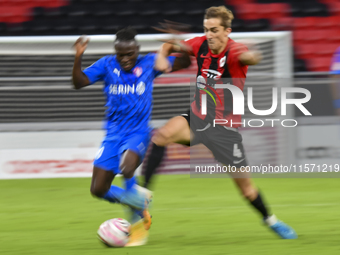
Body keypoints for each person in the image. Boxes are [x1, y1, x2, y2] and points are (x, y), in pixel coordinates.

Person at [151, 6, 297, 239]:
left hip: (224, 129)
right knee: (161, 136)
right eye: (206, 29)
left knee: (247, 190)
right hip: (197, 118)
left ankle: (271, 220)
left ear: (227, 31)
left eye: (215, 30)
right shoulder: (200, 44)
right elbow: (174, 43)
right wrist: (162, 55)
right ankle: (141, 201)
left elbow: (249, 57)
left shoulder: (236, 50)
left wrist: (255, 56)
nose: (209, 35)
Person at [72, 27, 191, 246]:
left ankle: (137, 223)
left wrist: (178, 44)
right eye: (121, 54)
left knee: (128, 167)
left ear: (137, 49)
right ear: (115, 52)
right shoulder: (106, 65)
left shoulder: (150, 62)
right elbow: (79, 82)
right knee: (98, 189)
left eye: (130, 54)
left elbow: (184, 62)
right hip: (113, 134)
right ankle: (139, 201)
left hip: (138, 132)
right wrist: (78, 56)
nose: (125, 59)